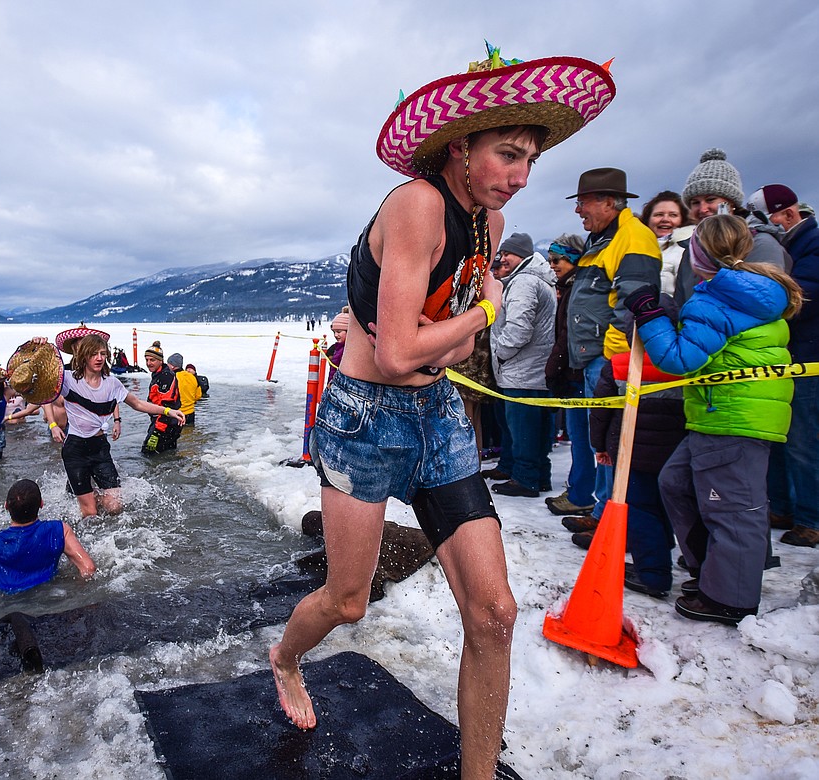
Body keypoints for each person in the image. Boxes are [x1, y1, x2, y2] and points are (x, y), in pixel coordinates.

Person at [269, 48, 615, 779]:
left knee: (494, 615)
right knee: (348, 600)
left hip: (439, 418)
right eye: (507, 155)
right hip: (363, 420)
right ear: (461, 146)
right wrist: (484, 312)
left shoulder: (489, 218)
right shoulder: (419, 205)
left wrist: (454, 338)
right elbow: (397, 354)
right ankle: (284, 656)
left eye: (530, 160)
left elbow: (443, 354)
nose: (519, 176)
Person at [625, 214, 803, 624]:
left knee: (734, 508)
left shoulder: (718, 297)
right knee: (676, 482)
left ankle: (730, 599)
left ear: (699, 255)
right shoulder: (746, 291)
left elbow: (679, 358)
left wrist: (650, 316)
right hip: (722, 412)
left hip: (731, 416)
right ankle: (715, 572)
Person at [566, 168, 662, 538]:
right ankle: (602, 509)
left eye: (584, 201)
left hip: (612, 360)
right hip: (597, 359)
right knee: (602, 443)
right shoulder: (603, 239)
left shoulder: (633, 238)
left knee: (613, 444)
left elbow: (634, 305)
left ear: (610, 201)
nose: (578, 210)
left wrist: (613, 359)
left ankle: (614, 520)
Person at [587, 313, 686, 595]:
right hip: (673, 452)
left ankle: (653, 574)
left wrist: (600, 446)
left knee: (641, 511)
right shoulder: (685, 366)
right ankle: (663, 554)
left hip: (631, 454)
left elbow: (601, 410)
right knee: (663, 507)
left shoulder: (620, 364)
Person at [40, 334, 186, 518]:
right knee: (90, 513)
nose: (99, 358)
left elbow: (138, 404)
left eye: (103, 353)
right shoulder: (68, 380)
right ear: (84, 356)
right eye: (94, 354)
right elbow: (40, 387)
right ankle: (83, 500)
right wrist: (39, 348)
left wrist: (168, 411)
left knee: (114, 506)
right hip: (75, 450)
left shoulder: (112, 383)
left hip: (100, 448)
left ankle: (84, 494)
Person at [749, 184, 819, 548]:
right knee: (778, 436)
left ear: (788, 215)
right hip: (785, 355)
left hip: (808, 355)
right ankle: (782, 506)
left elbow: (799, 294)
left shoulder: (812, 245)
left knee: (804, 440)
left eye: (765, 218)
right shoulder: (789, 244)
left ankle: (811, 517)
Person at [487, 232, 557, 498]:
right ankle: (519, 469)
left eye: (509, 253)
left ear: (524, 255)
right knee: (519, 426)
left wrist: (501, 353)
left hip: (523, 371)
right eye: (502, 253)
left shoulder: (525, 282)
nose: (503, 258)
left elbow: (519, 327)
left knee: (524, 428)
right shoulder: (531, 279)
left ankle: (526, 477)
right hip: (526, 370)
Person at [673, 149, 791, 305]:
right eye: (695, 203)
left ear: (731, 203)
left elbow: (766, 303)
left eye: (710, 199)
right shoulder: (690, 250)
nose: (702, 209)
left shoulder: (759, 243)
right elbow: (680, 305)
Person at [543, 234, 595, 518]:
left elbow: (568, 335)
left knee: (583, 437)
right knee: (578, 436)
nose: (553, 265)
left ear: (574, 258)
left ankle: (582, 493)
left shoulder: (578, 289)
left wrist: (554, 367)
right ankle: (579, 489)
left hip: (577, 371)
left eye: (558, 259)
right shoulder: (567, 287)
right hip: (572, 370)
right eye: (550, 260)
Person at [640, 190, 694, 296]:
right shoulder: (636, 247)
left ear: (683, 219)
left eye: (673, 215)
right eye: (659, 214)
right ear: (648, 219)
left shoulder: (686, 250)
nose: (665, 219)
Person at [141, 341, 182, 454]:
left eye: (152, 360)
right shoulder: (158, 374)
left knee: (148, 454)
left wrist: (157, 432)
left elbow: (167, 405)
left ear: (160, 361)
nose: (148, 363)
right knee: (168, 455)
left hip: (166, 423)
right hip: (165, 422)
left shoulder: (166, 376)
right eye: (147, 360)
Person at [167, 352, 202, 426]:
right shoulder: (192, 377)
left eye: (168, 364)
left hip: (177, 414)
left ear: (173, 366)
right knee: (190, 433)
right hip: (191, 413)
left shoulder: (172, 377)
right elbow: (198, 395)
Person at [325, 307, 349, 379]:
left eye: (338, 332)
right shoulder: (336, 348)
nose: (335, 335)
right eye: (334, 332)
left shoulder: (350, 350)